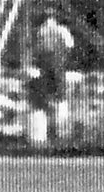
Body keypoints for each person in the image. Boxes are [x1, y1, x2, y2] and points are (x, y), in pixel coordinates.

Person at [31, 8, 75, 145]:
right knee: (59, 99)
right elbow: (70, 46)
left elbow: (37, 50)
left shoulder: (41, 32)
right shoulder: (61, 30)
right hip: (56, 67)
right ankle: (60, 134)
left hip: (46, 68)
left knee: (46, 100)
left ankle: (46, 135)